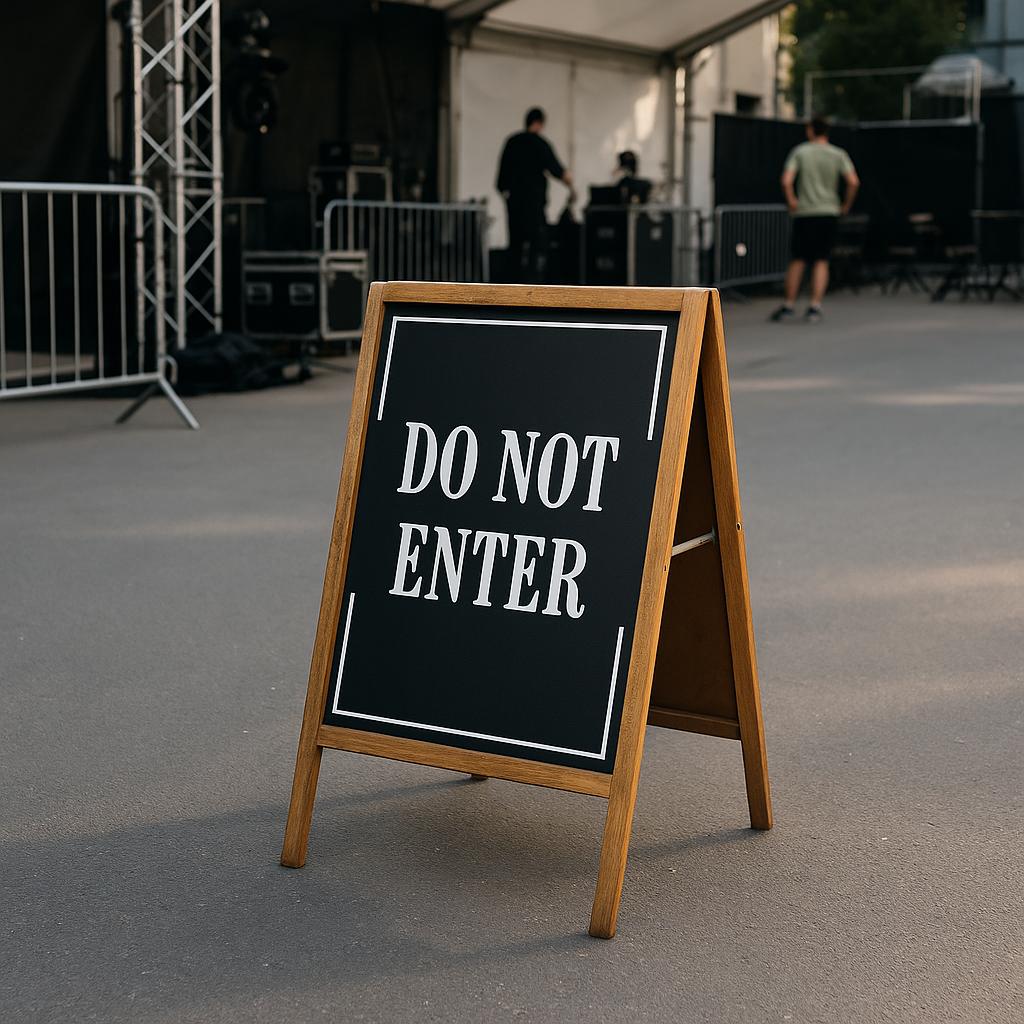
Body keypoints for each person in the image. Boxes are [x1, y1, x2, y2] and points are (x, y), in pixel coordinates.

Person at [771, 117, 859, 323]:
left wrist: (792, 201)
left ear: (810, 130)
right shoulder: (838, 154)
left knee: (798, 259)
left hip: (806, 212)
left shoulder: (800, 152)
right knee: (821, 259)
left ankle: (788, 304)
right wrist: (845, 205)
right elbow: (853, 181)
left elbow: (786, 180)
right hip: (828, 212)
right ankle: (814, 305)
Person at [497, 108, 574, 283]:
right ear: (539, 123)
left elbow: (501, 178)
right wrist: (568, 179)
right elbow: (554, 167)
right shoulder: (539, 143)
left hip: (514, 204)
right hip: (534, 204)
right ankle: (534, 284)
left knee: (515, 245)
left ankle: (511, 284)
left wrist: (507, 194)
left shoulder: (512, 142)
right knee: (537, 245)